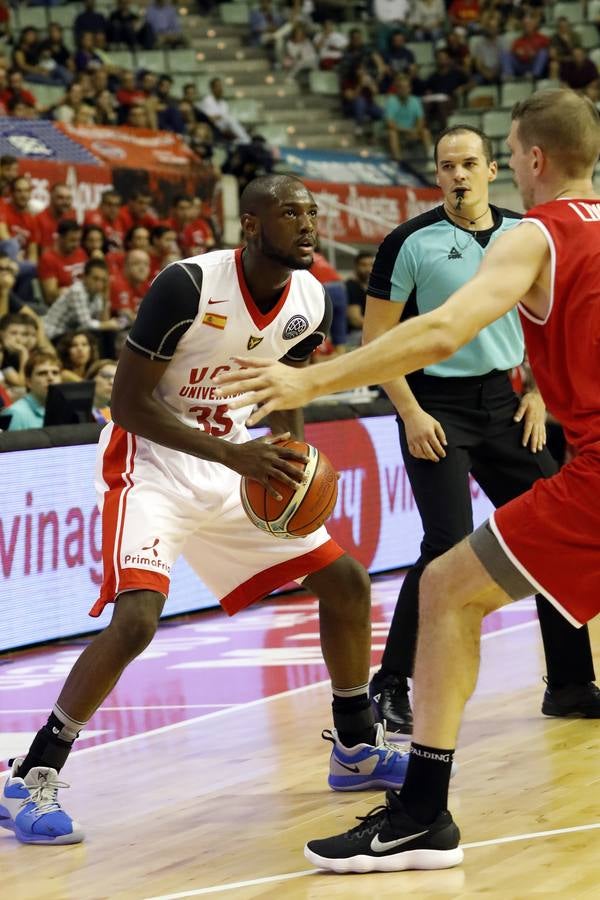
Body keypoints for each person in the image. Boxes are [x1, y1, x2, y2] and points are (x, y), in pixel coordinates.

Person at [215, 89, 600, 872]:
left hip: (589, 468)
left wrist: (306, 384)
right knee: (452, 565)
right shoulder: (426, 240)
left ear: (528, 159)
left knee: (447, 588)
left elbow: (442, 327)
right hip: (467, 415)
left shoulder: (538, 233)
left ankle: (424, 812)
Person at [0, 174, 410, 846]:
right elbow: (129, 405)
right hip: (150, 460)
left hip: (235, 459)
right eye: (289, 213)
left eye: (311, 212)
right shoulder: (186, 286)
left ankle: (357, 745)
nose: (307, 224)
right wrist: (236, 459)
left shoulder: (310, 297)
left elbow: (290, 385)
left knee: (346, 582)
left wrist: (293, 458)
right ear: (250, 224)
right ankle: (31, 772)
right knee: (137, 622)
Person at [42, 258, 120, 341]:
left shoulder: (97, 295)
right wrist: (108, 325)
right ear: (85, 277)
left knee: (108, 332)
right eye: (95, 279)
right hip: (54, 333)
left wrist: (105, 299)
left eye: (103, 280)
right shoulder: (77, 290)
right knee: (101, 332)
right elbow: (86, 324)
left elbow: (102, 321)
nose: (99, 284)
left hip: (71, 333)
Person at [5, 351, 62, 431]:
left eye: (55, 373)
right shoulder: (16, 413)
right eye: (42, 373)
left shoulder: (65, 409)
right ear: (29, 382)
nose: (50, 378)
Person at [38, 220, 87, 305]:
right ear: (60, 238)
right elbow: (50, 297)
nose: (76, 244)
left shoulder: (80, 252)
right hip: (65, 305)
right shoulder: (48, 259)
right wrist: (70, 292)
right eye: (72, 240)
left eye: (78, 240)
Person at [345, 251, 374, 347]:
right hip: (354, 334)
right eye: (363, 265)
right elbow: (355, 319)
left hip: (369, 331)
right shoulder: (351, 286)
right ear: (356, 267)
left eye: (371, 265)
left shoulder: (373, 287)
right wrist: (379, 328)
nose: (368, 269)